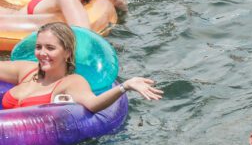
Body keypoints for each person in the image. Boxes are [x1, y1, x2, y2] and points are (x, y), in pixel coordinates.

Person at [0, 22, 161, 111]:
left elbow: (93, 104)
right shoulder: (26, 70)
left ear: (67, 53)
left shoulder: (72, 82)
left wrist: (125, 86)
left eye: (50, 48)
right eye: (39, 47)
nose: (42, 53)